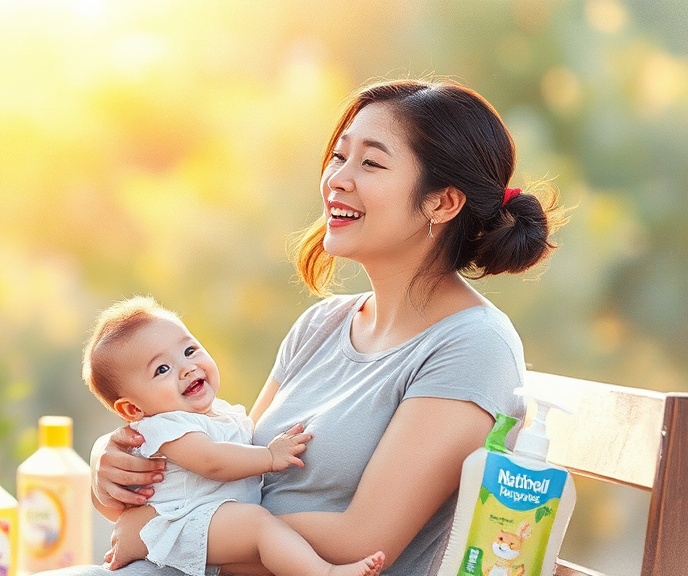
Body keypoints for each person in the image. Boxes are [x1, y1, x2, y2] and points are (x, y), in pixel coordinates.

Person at [43, 77, 567, 576]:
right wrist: (116, 474)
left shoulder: (471, 347)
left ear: (442, 202)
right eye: (339, 156)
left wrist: (171, 534)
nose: (337, 178)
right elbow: (229, 471)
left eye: (371, 163)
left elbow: (363, 541)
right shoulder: (323, 323)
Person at [81, 296, 386, 576]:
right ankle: (325, 573)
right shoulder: (166, 427)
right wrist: (269, 456)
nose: (187, 368)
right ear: (133, 408)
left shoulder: (222, 413)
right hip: (183, 523)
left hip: (210, 520)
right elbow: (211, 461)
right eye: (162, 369)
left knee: (258, 528)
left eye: (189, 351)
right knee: (258, 526)